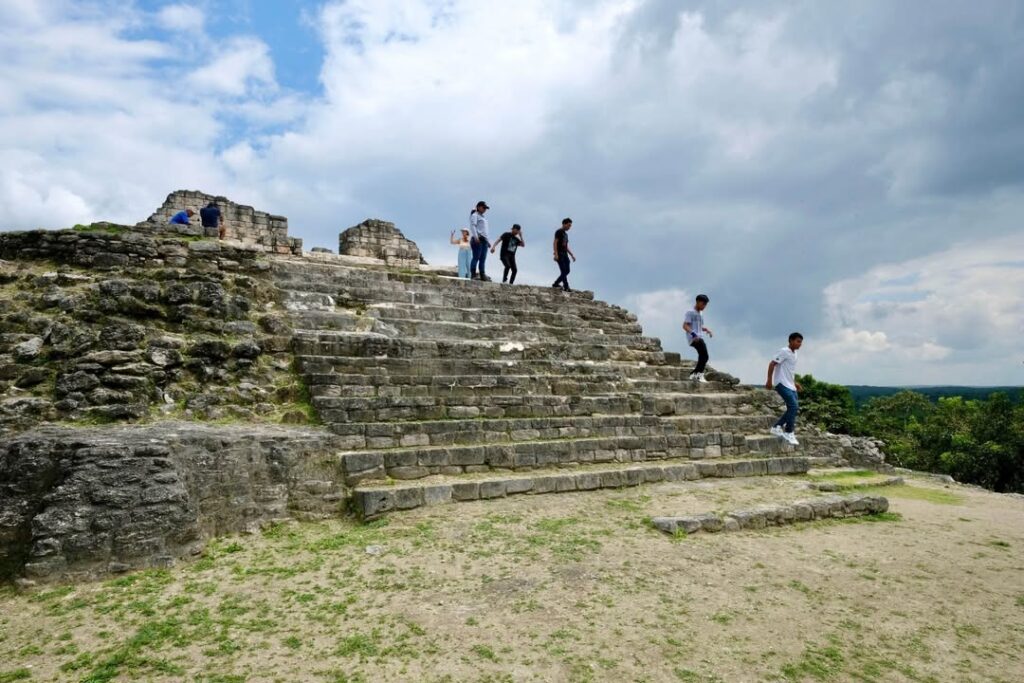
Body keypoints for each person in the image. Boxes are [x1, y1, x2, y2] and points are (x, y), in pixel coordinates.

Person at [766, 332, 804, 446]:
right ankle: (789, 431)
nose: (800, 344)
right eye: (798, 341)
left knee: (793, 408)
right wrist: (769, 380)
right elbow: (772, 364)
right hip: (781, 383)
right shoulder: (783, 351)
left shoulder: (795, 354)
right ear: (791, 341)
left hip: (790, 385)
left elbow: (790, 370)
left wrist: (795, 383)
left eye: (801, 342)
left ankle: (777, 427)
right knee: (793, 406)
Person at [683, 294, 713, 382]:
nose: (704, 306)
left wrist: (706, 329)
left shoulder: (700, 314)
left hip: (699, 336)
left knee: (703, 356)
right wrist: (693, 334)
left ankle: (695, 374)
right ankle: (698, 375)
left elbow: (699, 327)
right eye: (703, 304)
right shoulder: (690, 312)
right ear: (698, 302)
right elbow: (685, 325)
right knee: (705, 355)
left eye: (706, 305)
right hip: (694, 338)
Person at [551, 217, 575, 291]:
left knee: (567, 271)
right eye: (568, 225)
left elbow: (566, 246)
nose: (569, 227)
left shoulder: (566, 235)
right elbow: (555, 242)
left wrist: (571, 255)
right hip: (560, 254)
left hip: (565, 254)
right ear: (564, 224)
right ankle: (566, 286)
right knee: (563, 271)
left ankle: (556, 283)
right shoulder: (559, 231)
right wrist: (556, 254)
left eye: (570, 226)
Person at [469, 201, 491, 281]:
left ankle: (482, 274)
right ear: (478, 207)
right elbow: (473, 226)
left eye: (486, 208)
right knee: (476, 257)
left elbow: (485, 230)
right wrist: (475, 237)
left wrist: (487, 241)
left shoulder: (484, 218)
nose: (485, 209)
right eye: (483, 207)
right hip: (478, 239)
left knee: (483, 258)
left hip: (484, 240)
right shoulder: (475, 215)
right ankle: (473, 274)